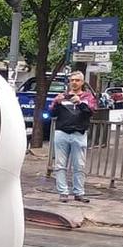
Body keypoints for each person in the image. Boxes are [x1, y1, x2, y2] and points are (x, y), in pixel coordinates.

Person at [51, 71, 98, 203]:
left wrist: (80, 103)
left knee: (79, 165)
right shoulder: (62, 97)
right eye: (72, 80)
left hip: (79, 134)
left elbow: (91, 112)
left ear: (82, 82)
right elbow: (52, 114)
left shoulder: (88, 97)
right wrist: (56, 103)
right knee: (60, 165)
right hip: (62, 133)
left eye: (77, 80)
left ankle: (79, 193)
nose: (74, 82)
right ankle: (63, 193)